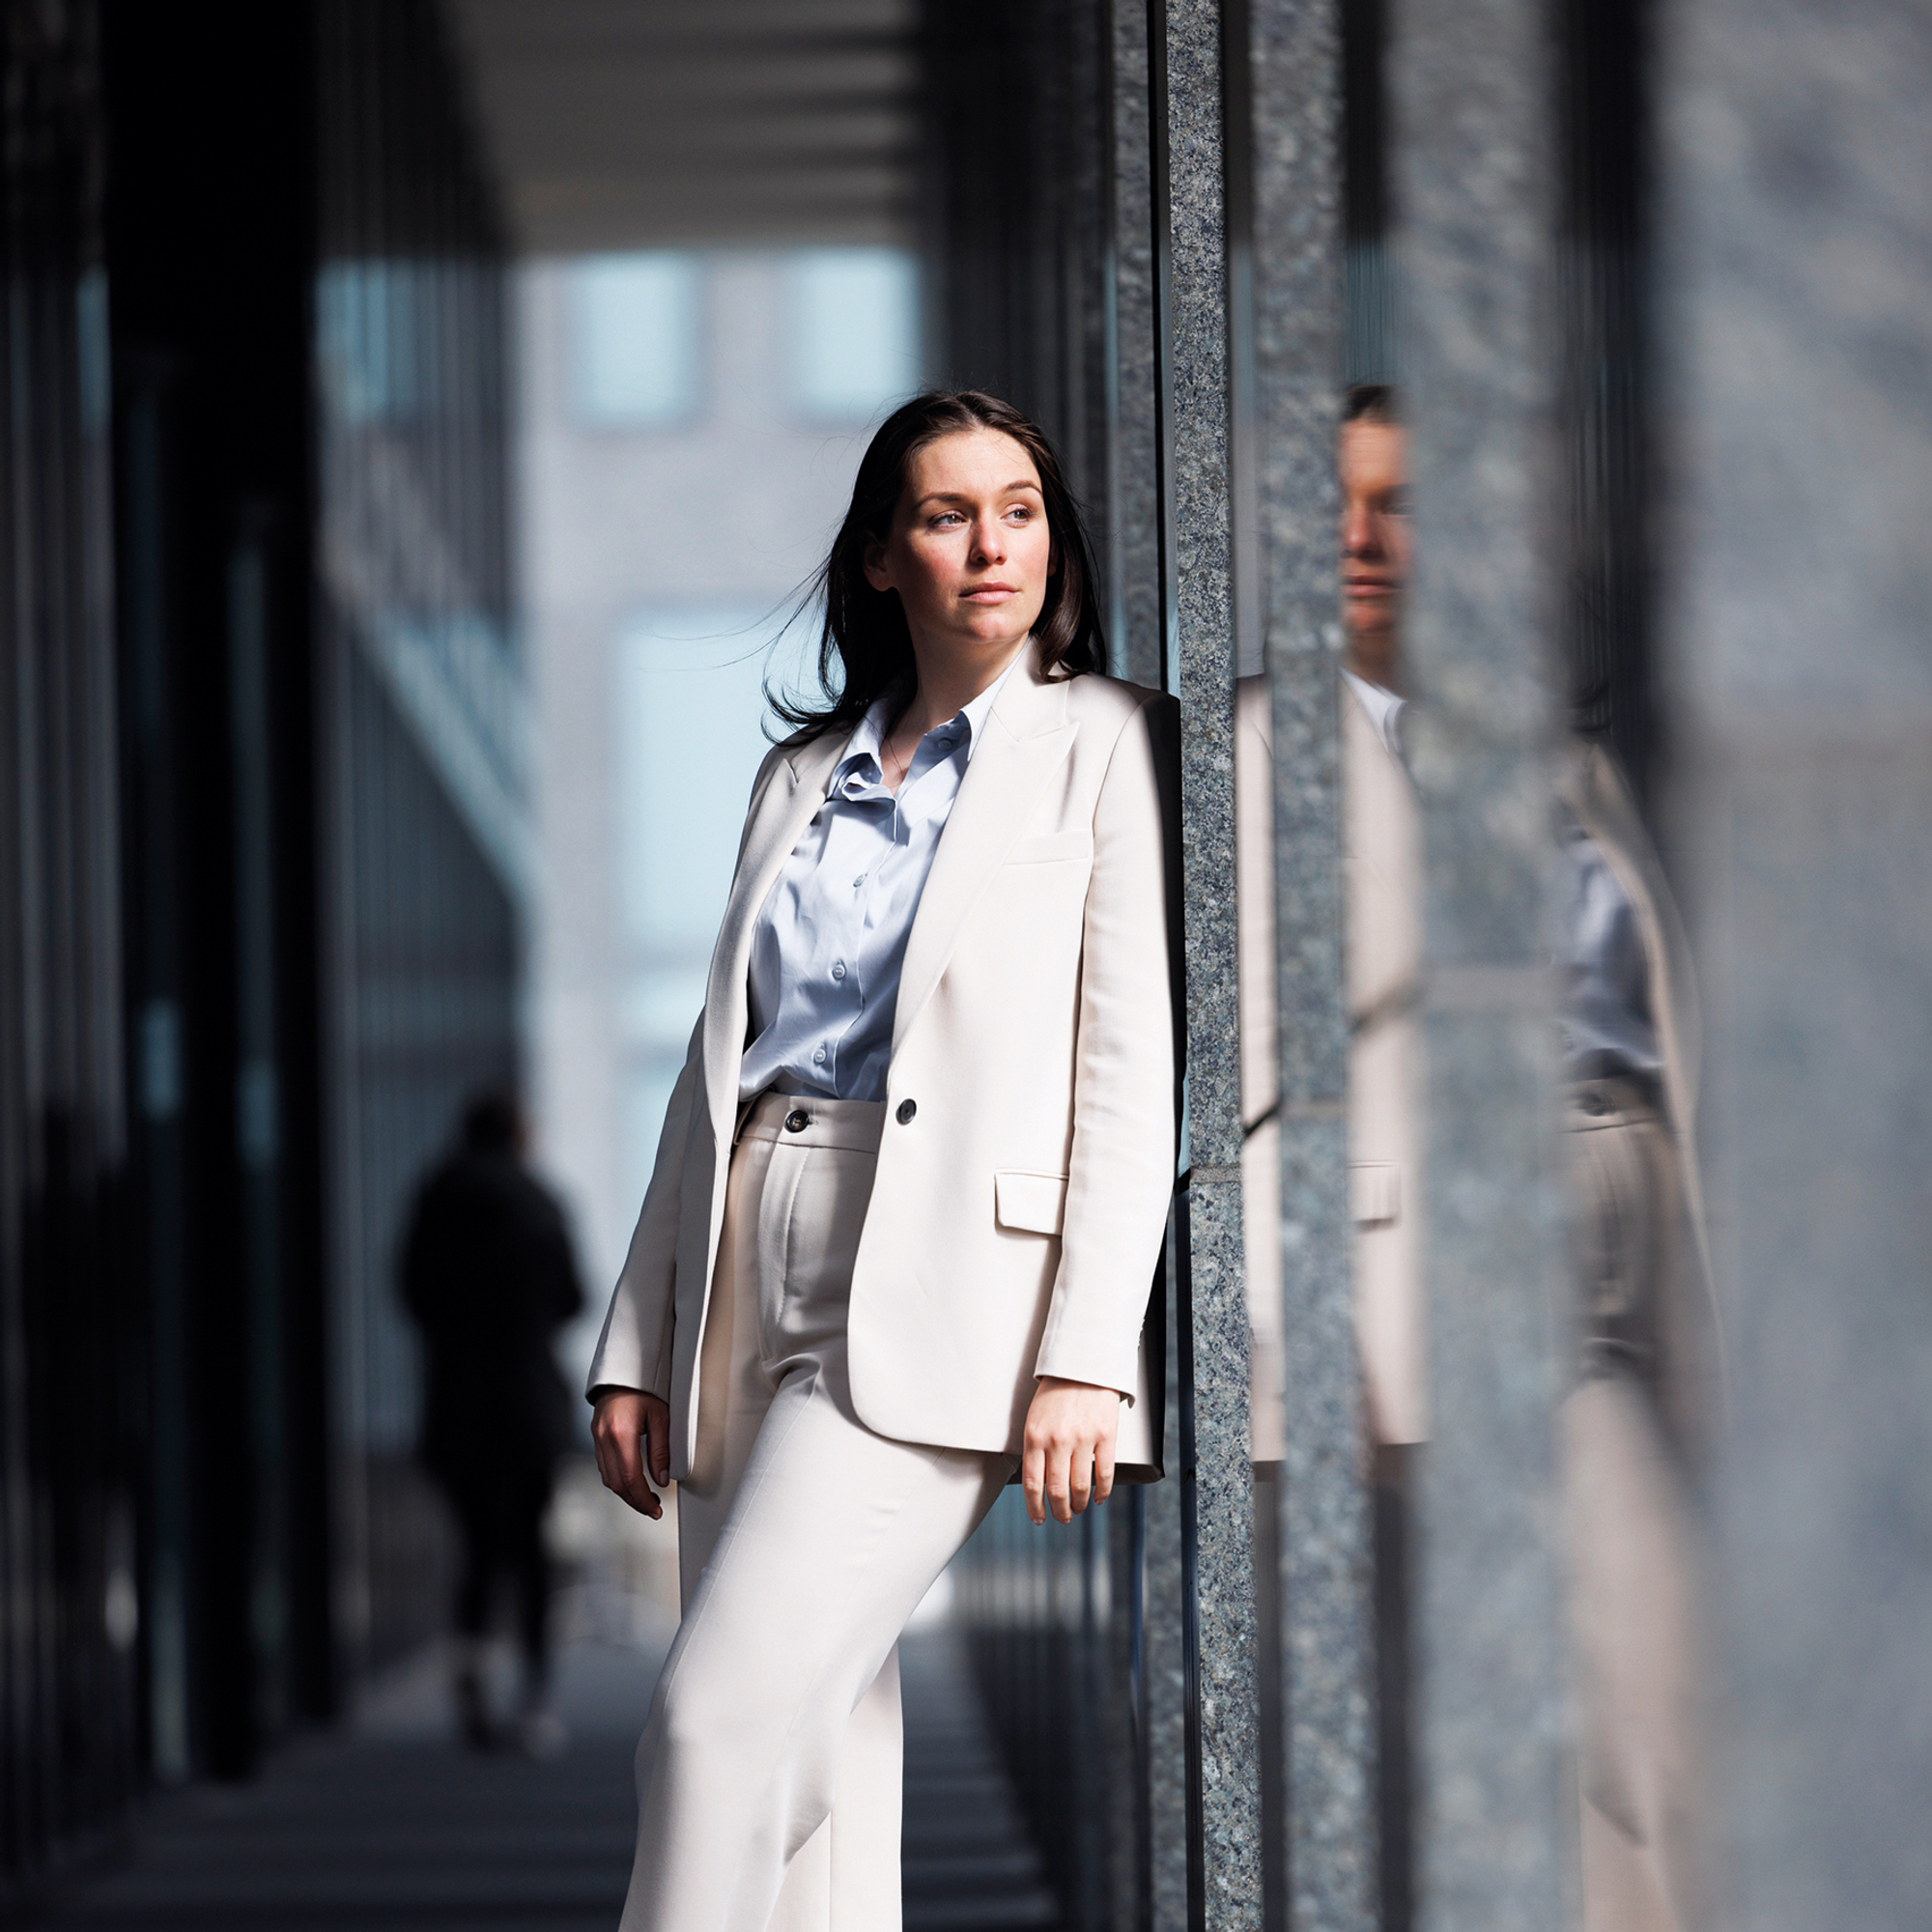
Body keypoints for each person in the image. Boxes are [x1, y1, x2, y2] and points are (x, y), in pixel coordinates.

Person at [584, 389, 1178, 1932]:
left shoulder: (1104, 746)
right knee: (813, 1755)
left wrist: (1086, 1359)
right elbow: (714, 1069)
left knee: (710, 1728)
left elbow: (1126, 1079)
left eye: (1021, 509)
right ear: (876, 559)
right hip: (744, 1256)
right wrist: (638, 1339)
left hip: (945, 1289)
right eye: (945, 514)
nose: (992, 545)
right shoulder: (799, 776)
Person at [1336, 382, 1716, 1932]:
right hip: (1478, 1247)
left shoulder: (1586, 751)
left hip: (1667, 1235)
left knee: (1620, 1734)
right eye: (1335, 501)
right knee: (1654, 1702)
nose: (1361, 538)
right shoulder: (1271, 759)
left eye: (1401, 501)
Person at [400, 1090, 585, 1759]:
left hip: (456, 1399)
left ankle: (472, 1679)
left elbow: (410, 1293)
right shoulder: (536, 1201)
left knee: (476, 1547)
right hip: (525, 1399)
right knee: (531, 1551)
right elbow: (572, 1296)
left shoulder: (434, 1200)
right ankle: (535, 1694)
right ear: (515, 1135)